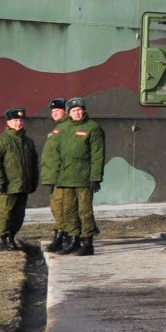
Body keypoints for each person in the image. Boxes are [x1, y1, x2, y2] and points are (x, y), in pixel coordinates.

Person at [46, 97, 105, 256]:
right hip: (65, 178)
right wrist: (52, 178)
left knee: (85, 211)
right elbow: (54, 155)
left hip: (84, 178)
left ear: (84, 110)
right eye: (73, 110)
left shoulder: (93, 128)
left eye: (79, 110)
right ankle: (73, 241)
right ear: (69, 113)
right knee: (69, 211)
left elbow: (97, 155)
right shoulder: (63, 128)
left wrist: (95, 177)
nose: (77, 113)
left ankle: (87, 243)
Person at [0, 107, 38, 250]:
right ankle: (1, 239)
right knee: (5, 213)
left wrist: (33, 181)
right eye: (15, 120)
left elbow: (34, 163)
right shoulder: (1, 141)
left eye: (21, 120)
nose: (19, 123)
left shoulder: (28, 142)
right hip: (8, 185)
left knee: (18, 215)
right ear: (8, 122)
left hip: (23, 185)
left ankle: (11, 238)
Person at [41, 98, 71, 253]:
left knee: (61, 208)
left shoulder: (65, 128)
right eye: (52, 112)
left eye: (58, 111)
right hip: (55, 177)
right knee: (58, 207)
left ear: (65, 111)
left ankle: (61, 238)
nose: (54, 114)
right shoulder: (59, 128)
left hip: (61, 177)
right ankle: (64, 237)